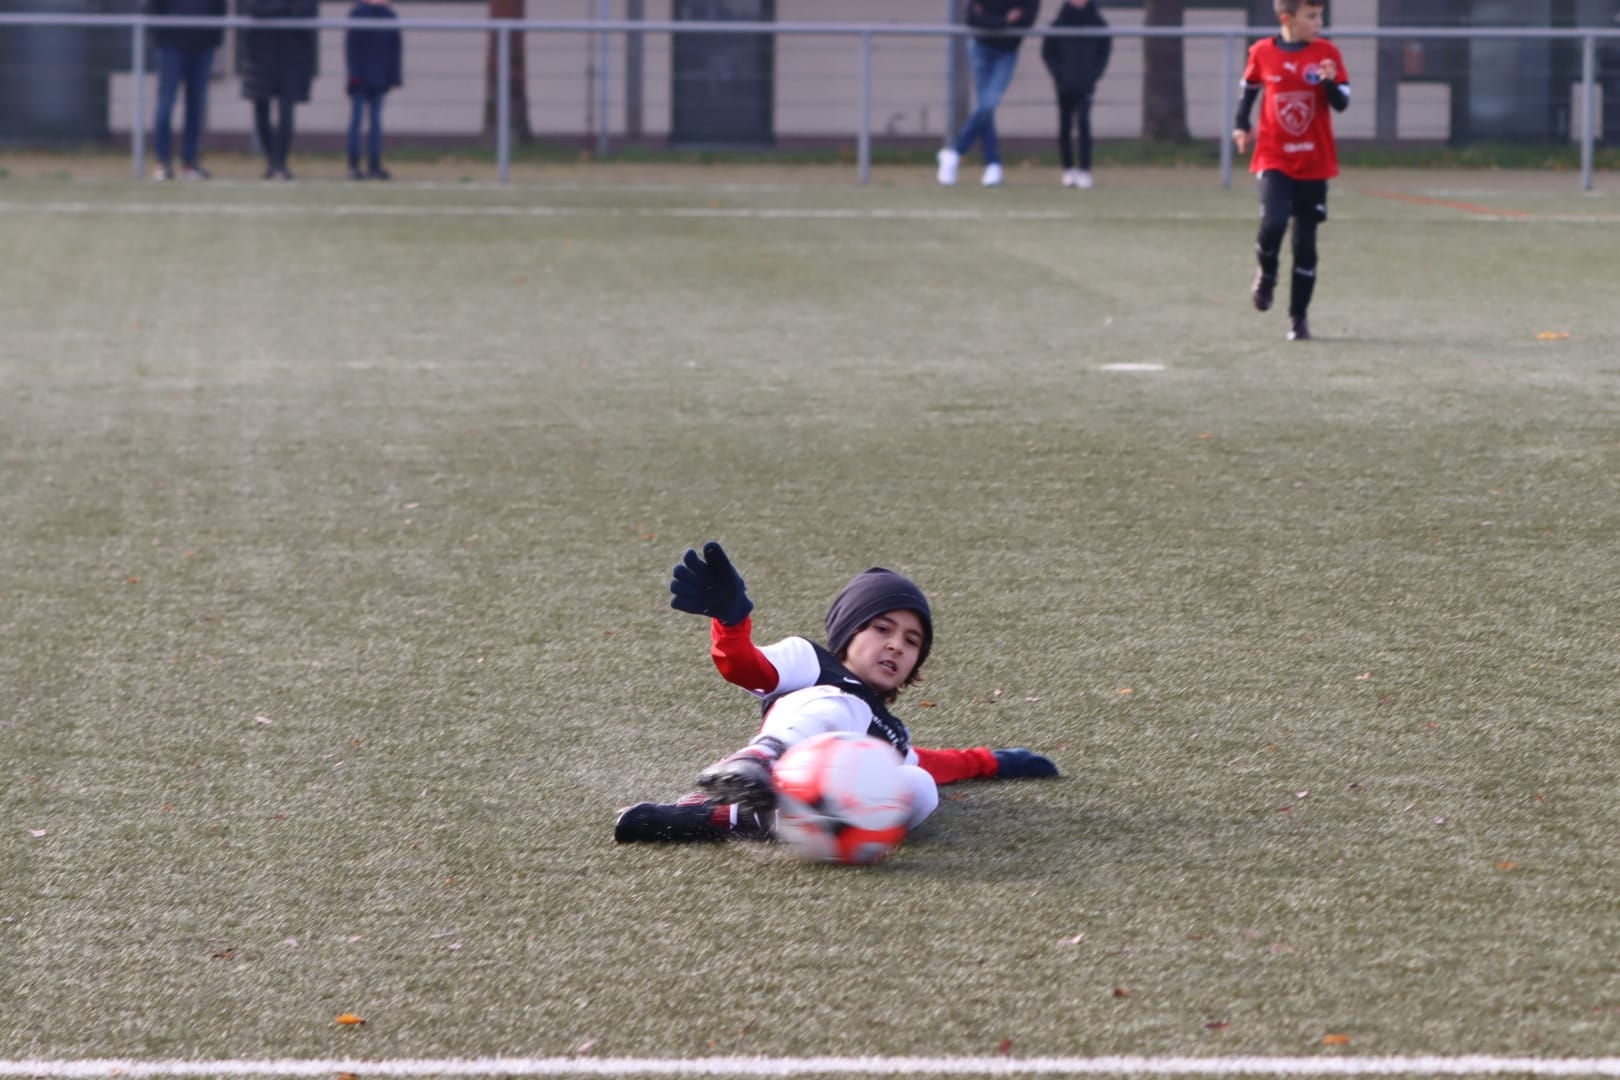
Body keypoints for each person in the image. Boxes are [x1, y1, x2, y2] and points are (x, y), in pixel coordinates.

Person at [615, 542, 1061, 845]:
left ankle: (725, 819)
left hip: (816, 814)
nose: (896, 645)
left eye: (911, 641)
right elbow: (744, 665)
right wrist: (731, 621)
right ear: (848, 633)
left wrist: (994, 761)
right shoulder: (810, 661)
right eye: (883, 629)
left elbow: (931, 763)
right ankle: (757, 762)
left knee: (919, 786)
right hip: (781, 764)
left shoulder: (891, 731)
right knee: (842, 704)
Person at [1231, 0, 1350, 342]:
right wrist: (1241, 124)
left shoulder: (1327, 53)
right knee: (1273, 222)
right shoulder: (1263, 52)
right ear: (1288, 19)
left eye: (1320, 14)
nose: (1319, 22)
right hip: (1274, 156)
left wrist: (1328, 82)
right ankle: (1267, 275)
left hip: (1315, 161)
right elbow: (1250, 87)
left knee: (1306, 246)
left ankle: (1298, 318)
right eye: (1311, 16)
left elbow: (1342, 102)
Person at [937, 0, 1041, 188]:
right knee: (986, 108)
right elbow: (972, 17)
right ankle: (993, 165)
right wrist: (1004, 20)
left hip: (1008, 52)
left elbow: (1026, 20)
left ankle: (954, 153)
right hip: (980, 47)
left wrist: (991, 19)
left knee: (988, 104)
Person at [144, 0, 226, 181]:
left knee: (196, 104)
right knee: (166, 101)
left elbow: (220, 7)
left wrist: (214, 39)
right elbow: (151, 7)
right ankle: (162, 162)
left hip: (203, 45)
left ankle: (190, 162)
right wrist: (161, 35)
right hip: (170, 45)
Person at [241, 0, 319, 181]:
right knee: (261, 110)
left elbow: (305, 9)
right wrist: (286, 9)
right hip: (260, 55)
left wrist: (274, 10)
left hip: (293, 55)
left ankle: (281, 163)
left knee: (287, 110)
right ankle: (271, 162)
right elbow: (255, 9)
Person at [1040, 0, 1111, 189]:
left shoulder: (1098, 23)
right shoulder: (1058, 23)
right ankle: (1068, 169)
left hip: (1086, 85)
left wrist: (1093, 75)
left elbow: (1104, 52)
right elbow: (1047, 52)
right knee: (1065, 125)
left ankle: (1085, 170)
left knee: (1084, 123)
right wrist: (1059, 75)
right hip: (1064, 85)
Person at [344, 0, 403, 181]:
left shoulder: (390, 15)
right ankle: (354, 165)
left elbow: (395, 49)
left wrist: (394, 77)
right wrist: (354, 75)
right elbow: (351, 47)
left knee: (376, 123)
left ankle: (374, 164)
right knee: (356, 121)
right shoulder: (358, 14)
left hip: (380, 78)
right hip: (360, 78)